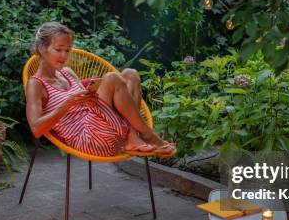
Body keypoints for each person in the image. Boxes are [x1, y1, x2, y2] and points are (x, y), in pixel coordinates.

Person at [25, 21, 176, 158]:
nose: (64, 56)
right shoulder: (36, 84)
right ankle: (146, 134)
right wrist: (67, 105)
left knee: (130, 74)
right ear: (41, 48)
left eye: (68, 50)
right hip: (89, 141)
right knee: (112, 78)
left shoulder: (68, 73)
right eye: (58, 49)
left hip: (106, 127)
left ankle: (131, 137)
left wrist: (92, 89)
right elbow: (36, 129)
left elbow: (89, 102)